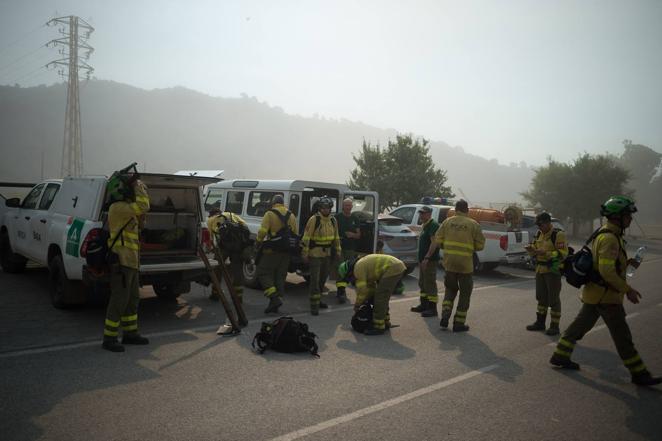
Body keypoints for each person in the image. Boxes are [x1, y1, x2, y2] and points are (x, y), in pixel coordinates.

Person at [550, 196, 661, 386]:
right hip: (607, 297)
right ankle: (639, 374)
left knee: (578, 327)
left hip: (595, 295)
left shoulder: (606, 233)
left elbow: (606, 265)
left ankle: (560, 355)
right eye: (627, 215)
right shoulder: (610, 238)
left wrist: (626, 263)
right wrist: (628, 290)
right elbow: (606, 271)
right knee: (623, 337)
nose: (630, 219)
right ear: (617, 217)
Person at [102, 175, 151, 352]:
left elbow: (140, 225)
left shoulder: (126, 209)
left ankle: (130, 334)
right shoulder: (118, 207)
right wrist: (139, 186)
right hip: (122, 261)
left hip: (131, 261)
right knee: (119, 299)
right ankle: (109, 338)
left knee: (132, 300)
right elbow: (144, 205)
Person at [422, 199, 485, 332]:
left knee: (450, 291)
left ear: (456, 209)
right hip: (465, 266)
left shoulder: (447, 222)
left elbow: (438, 241)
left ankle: (445, 315)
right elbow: (480, 246)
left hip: (449, 264)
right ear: (467, 210)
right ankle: (459, 323)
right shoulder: (473, 224)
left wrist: (447, 246)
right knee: (464, 294)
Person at [338, 254, 406, 335]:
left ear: (348, 271)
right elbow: (371, 288)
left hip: (392, 268)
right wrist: (368, 298)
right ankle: (385, 322)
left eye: (349, 277)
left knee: (380, 298)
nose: (351, 279)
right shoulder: (360, 264)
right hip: (395, 266)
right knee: (381, 297)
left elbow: (362, 291)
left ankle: (378, 327)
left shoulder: (358, 269)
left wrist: (357, 305)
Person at [525, 212, 568, 335]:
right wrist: (531, 250)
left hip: (553, 270)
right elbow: (534, 247)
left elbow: (562, 254)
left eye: (541, 224)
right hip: (540, 269)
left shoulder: (558, 234)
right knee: (541, 297)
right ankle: (540, 323)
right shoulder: (539, 233)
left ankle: (554, 326)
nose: (539, 227)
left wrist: (546, 253)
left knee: (553, 299)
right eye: (538, 225)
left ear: (548, 223)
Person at [255, 195, 298, 314]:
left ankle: (273, 298)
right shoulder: (292, 215)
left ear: (273, 203)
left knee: (262, 272)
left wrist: (258, 243)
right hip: (287, 252)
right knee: (280, 276)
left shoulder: (269, 214)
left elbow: (263, 232)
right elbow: (295, 234)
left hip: (272, 251)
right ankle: (275, 304)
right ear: (282, 203)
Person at [301, 196, 342, 315]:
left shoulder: (333, 221)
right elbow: (306, 237)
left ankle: (318, 301)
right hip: (315, 254)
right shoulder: (314, 219)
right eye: (323, 208)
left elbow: (336, 237)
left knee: (323, 279)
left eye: (328, 208)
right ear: (320, 208)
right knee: (314, 280)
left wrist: (338, 251)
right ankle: (314, 306)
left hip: (327, 254)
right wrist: (305, 253)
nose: (326, 210)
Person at [207, 209, 249, 302]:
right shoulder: (233, 215)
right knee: (237, 271)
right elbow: (245, 226)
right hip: (237, 247)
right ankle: (238, 297)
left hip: (223, 248)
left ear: (211, 215)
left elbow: (210, 239)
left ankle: (215, 294)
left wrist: (211, 249)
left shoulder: (211, 219)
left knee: (217, 269)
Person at [411, 206, 440, 317]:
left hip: (430, 260)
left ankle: (432, 309)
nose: (421, 215)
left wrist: (427, 258)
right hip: (423, 260)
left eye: (423, 213)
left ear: (429, 214)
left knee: (430, 283)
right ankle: (424, 305)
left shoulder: (433, 225)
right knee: (422, 283)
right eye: (420, 213)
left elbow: (434, 243)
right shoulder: (425, 225)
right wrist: (421, 259)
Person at [334, 198, 361, 303]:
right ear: (342, 206)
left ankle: (342, 289)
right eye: (346, 205)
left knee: (348, 270)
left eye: (350, 205)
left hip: (351, 249)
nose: (348, 207)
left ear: (352, 206)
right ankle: (341, 292)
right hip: (339, 248)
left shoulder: (355, 218)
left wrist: (352, 235)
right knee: (341, 269)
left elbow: (359, 235)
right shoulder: (337, 217)